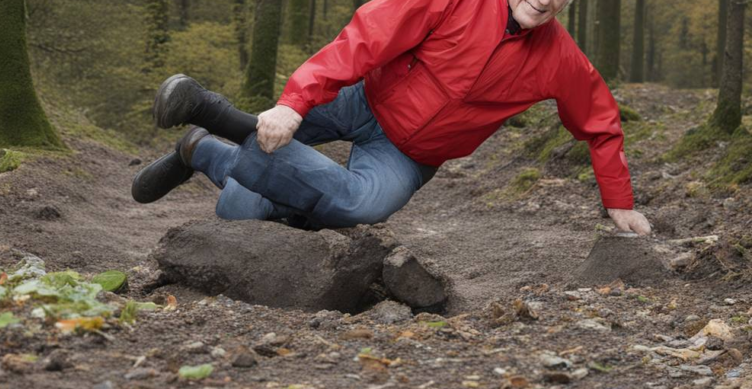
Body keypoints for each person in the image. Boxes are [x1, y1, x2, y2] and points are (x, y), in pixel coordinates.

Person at [132, 0, 652, 235]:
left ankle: (204, 147)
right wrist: (293, 103)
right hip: (363, 98)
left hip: (409, 154)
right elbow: (364, 39)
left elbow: (602, 124)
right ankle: (219, 118)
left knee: (254, 214)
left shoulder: (561, 59)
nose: (544, 0)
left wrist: (619, 201)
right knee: (252, 203)